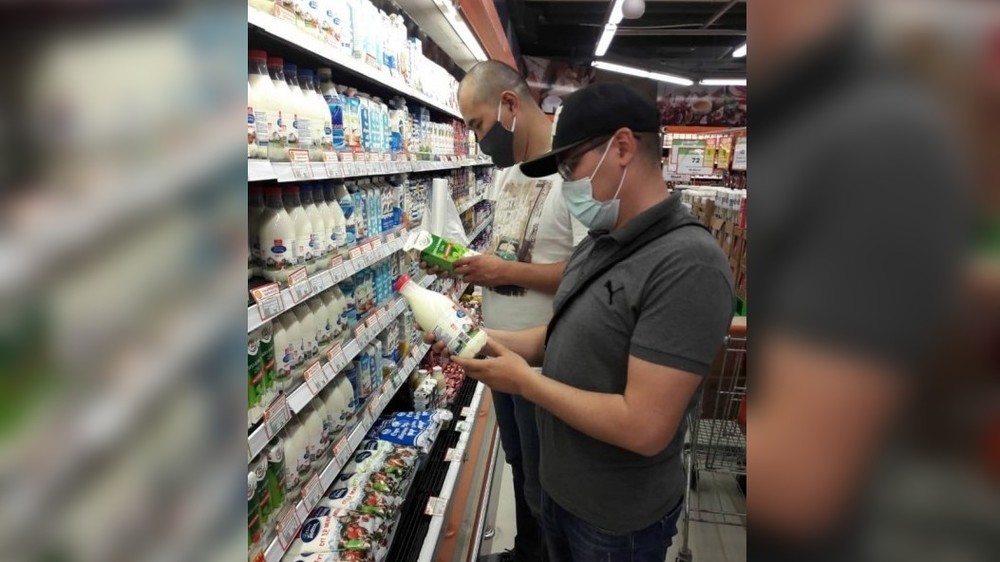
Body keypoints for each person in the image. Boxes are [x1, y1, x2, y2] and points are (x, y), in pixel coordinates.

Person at [437, 83, 735, 561]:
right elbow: (560, 336)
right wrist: (482, 338)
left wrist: (526, 383)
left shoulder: (687, 264)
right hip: (561, 495)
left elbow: (644, 426)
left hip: (615, 521)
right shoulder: (600, 241)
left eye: (570, 166)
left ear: (622, 148)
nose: (566, 184)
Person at [436, 60, 587, 562]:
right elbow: (510, 252)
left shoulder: (575, 173)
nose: (479, 139)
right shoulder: (507, 176)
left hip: (546, 357)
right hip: (501, 348)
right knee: (520, 463)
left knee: (547, 480)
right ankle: (526, 551)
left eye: (478, 125)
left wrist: (503, 272)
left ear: (509, 105)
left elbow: (589, 271)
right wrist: (473, 268)